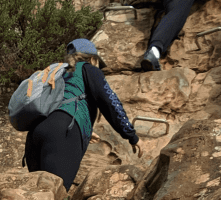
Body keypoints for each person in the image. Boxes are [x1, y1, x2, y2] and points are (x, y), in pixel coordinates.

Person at [24, 39, 140, 190]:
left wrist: (84, 131)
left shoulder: (57, 73)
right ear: (93, 59)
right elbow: (110, 102)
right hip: (62, 133)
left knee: (37, 195)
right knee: (52, 197)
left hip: (35, 134)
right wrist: (131, 135)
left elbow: (58, 109)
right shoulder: (88, 68)